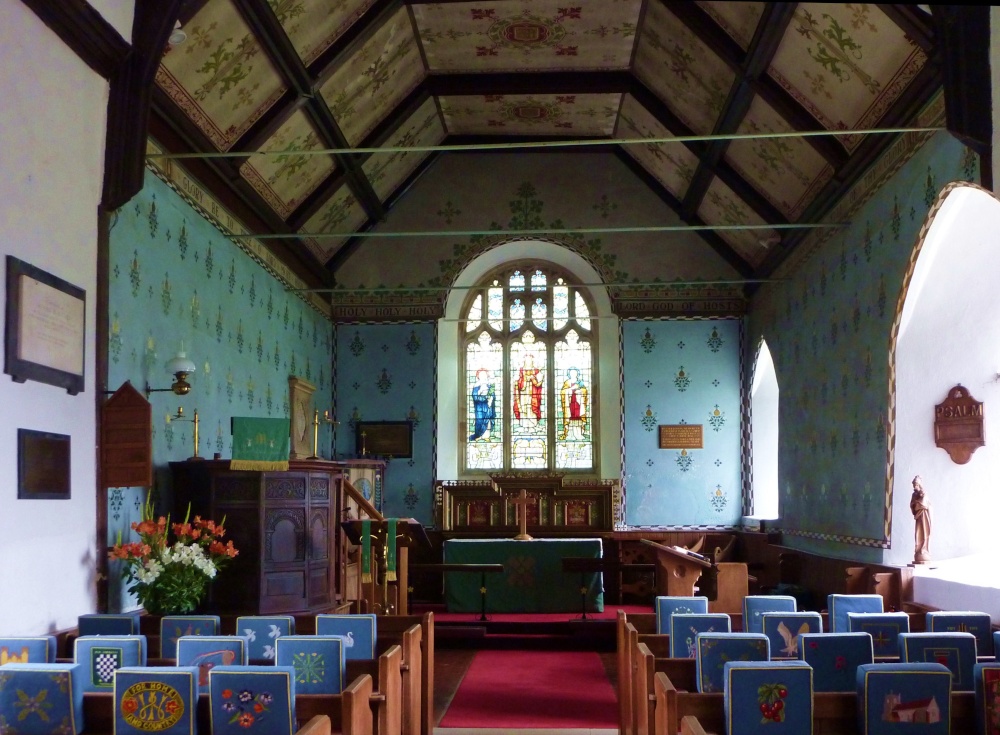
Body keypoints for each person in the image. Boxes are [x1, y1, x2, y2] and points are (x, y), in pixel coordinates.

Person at [513, 352, 543, 427]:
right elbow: (517, 382)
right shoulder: (521, 370)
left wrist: (534, 379)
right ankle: (524, 424)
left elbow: (538, 383)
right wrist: (523, 380)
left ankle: (532, 424)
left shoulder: (536, 370)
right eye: (527, 360)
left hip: (533, 393)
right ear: (524, 361)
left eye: (530, 360)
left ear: (532, 361)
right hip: (523, 392)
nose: (528, 361)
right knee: (523, 407)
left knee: (532, 406)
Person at [559, 367, 588, 440]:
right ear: (569, 374)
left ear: (577, 374)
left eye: (575, 373)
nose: (573, 374)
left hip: (578, 403)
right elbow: (563, 392)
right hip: (570, 403)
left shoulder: (580, 382)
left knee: (578, 417)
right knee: (570, 417)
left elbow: (585, 391)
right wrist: (570, 389)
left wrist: (580, 391)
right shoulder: (567, 382)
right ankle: (570, 434)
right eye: (571, 373)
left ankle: (578, 434)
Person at [468, 369, 496, 441]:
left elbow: (493, 394)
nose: (483, 376)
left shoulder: (489, 385)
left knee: (488, 420)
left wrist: (491, 399)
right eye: (481, 375)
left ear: (487, 376)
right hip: (479, 407)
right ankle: (478, 435)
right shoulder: (476, 386)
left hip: (488, 406)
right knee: (479, 420)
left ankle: (486, 436)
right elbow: (474, 397)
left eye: (484, 374)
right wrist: (481, 393)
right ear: (478, 376)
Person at [910, 475, 931, 563]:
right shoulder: (914, 495)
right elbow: (912, 505)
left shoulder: (923, 493)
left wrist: (919, 500)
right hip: (918, 517)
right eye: (914, 484)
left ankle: (924, 550)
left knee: (925, 532)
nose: (915, 486)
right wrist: (915, 503)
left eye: (917, 484)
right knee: (918, 533)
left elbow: (925, 504)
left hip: (924, 516)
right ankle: (918, 550)